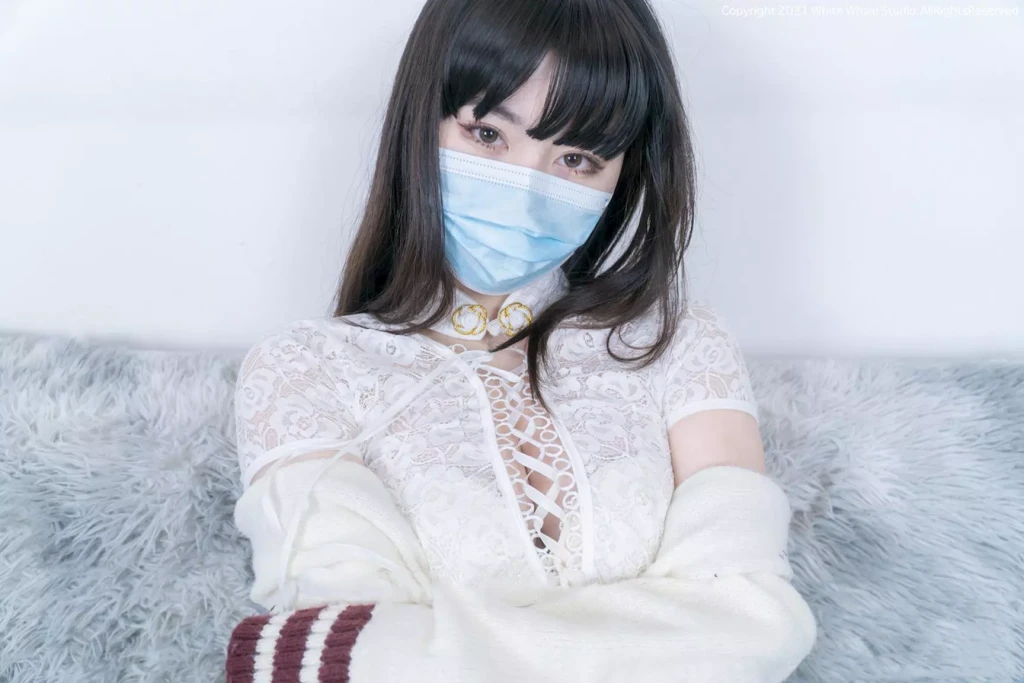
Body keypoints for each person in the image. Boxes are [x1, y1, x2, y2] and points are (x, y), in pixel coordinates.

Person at [225, 0, 817, 681]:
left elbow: (758, 622)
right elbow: (357, 659)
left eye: (577, 158)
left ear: (623, 173)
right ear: (421, 120)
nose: (529, 190)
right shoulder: (304, 371)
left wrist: (435, 647)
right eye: (488, 134)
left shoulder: (677, 344)